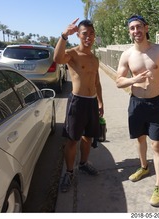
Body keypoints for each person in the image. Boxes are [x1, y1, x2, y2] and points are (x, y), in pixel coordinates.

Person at [116, 15, 159, 207]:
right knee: (140, 139)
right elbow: (118, 81)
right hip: (136, 103)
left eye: (139, 27)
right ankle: (144, 167)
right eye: (132, 28)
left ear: (146, 28)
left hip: (155, 103)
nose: (136, 31)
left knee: (156, 145)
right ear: (129, 31)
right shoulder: (127, 55)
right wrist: (133, 80)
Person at [54, 18, 104, 193]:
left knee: (88, 137)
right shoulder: (73, 54)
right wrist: (64, 35)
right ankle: (68, 173)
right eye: (84, 34)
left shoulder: (94, 58)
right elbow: (57, 58)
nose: (88, 37)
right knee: (72, 139)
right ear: (78, 35)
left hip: (91, 102)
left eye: (91, 34)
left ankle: (83, 164)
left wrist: (100, 102)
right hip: (77, 102)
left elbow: (97, 82)